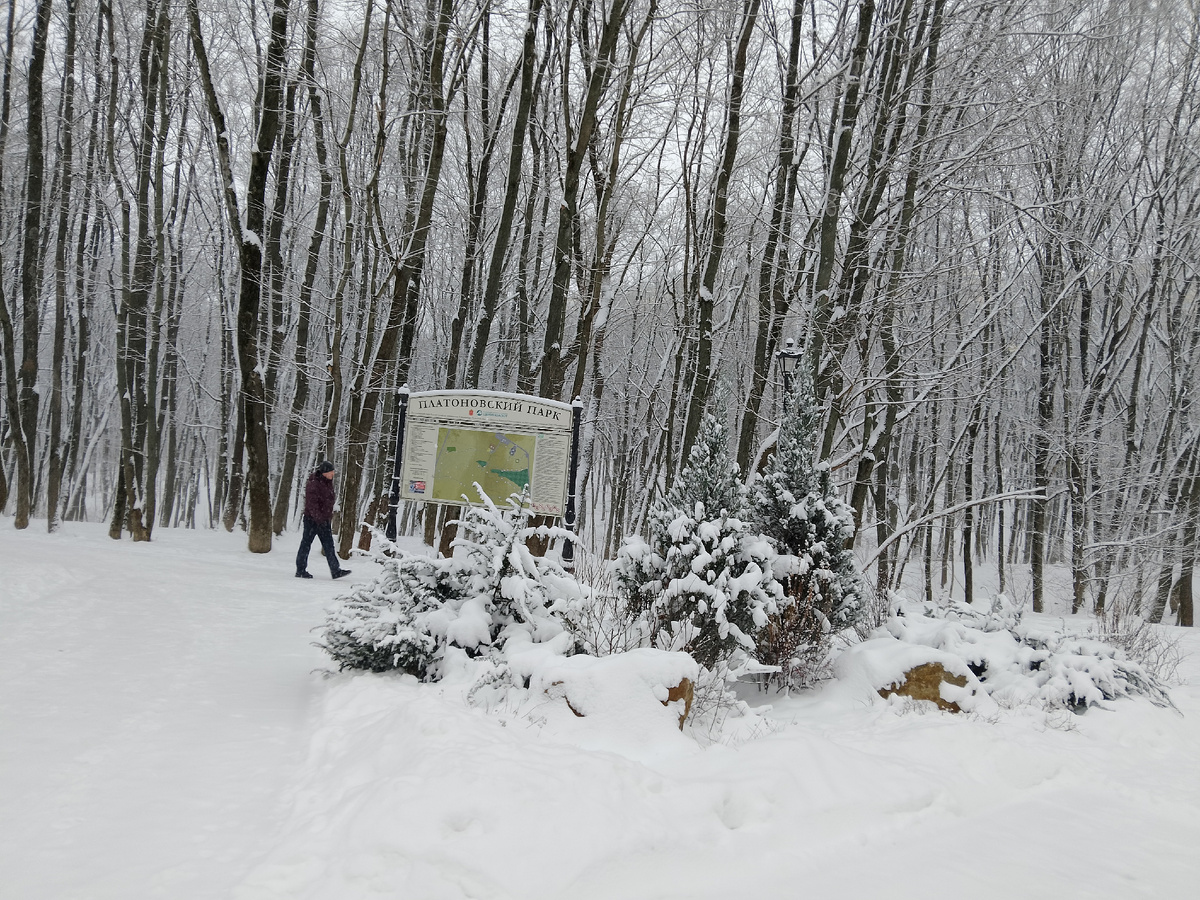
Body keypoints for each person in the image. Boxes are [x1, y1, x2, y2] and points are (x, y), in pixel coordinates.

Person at [295, 461, 352, 579]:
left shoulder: (327, 483)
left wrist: (325, 518)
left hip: (324, 520)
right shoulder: (314, 484)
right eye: (331, 472)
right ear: (325, 473)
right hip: (312, 520)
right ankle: (300, 570)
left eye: (333, 472)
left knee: (329, 545)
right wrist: (319, 519)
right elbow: (312, 504)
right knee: (306, 544)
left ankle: (335, 570)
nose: (333, 474)